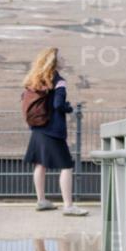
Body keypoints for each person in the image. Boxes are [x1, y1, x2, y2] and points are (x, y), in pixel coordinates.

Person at [22, 47, 88, 216]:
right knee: (66, 166)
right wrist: (68, 107)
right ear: (54, 62)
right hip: (53, 130)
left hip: (37, 128)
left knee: (40, 164)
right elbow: (58, 104)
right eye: (61, 58)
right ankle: (68, 205)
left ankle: (41, 200)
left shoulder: (35, 80)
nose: (64, 60)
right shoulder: (59, 81)